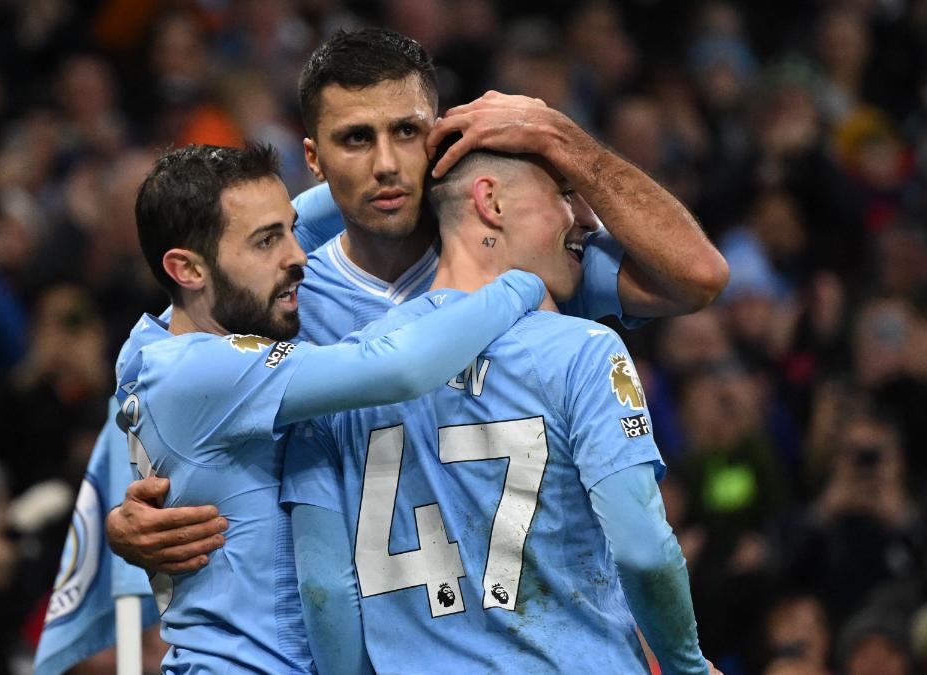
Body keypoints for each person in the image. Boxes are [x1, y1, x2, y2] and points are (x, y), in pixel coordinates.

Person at [105, 26, 728, 575]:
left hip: (547, 619)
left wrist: (562, 138)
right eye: (355, 139)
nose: (385, 163)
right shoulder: (280, 300)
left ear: (438, 137)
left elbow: (698, 275)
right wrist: (120, 519)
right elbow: (166, 375)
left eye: (406, 132)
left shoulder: (513, 249)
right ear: (315, 160)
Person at [279, 139, 717, 674]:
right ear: (491, 202)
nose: (586, 219)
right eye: (564, 194)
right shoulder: (583, 349)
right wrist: (686, 666)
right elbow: (643, 550)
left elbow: (323, 587)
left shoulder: (342, 374)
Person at [115, 142, 554, 672]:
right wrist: (523, 282)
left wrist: (422, 161)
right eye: (267, 241)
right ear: (186, 270)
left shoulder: (153, 346)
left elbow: (326, 209)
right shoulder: (201, 370)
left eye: (290, 230)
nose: (299, 255)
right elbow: (397, 368)